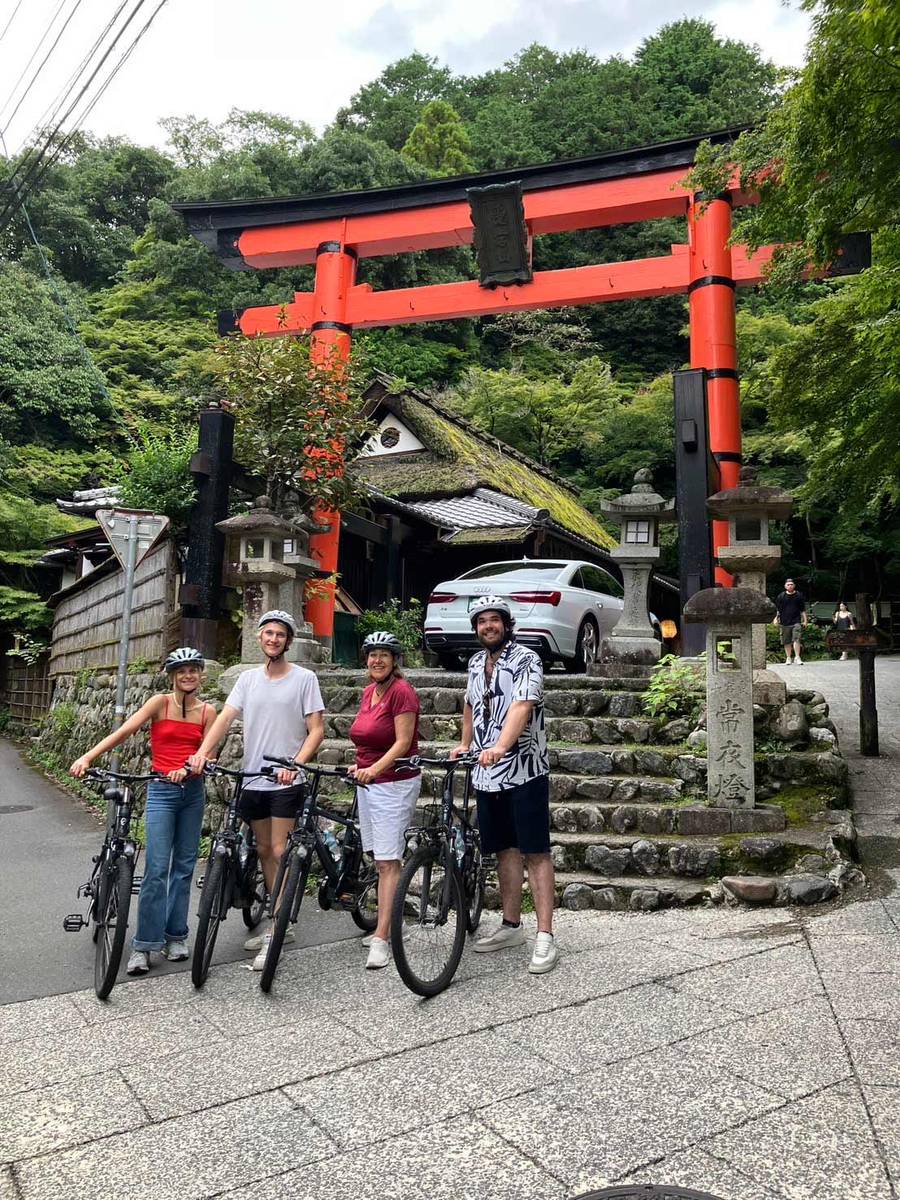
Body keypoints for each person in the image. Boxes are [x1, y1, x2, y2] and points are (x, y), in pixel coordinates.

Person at [187, 610, 325, 970]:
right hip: (253, 778)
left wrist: (294, 763)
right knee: (264, 848)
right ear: (259, 638)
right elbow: (225, 718)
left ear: (288, 642)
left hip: (286, 779)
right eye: (268, 633)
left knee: (280, 848)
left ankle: (277, 929)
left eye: (281, 634)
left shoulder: (304, 678)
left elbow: (316, 730)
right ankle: (277, 920)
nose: (274, 639)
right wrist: (203, 752)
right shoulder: (248, 679)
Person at [70, 647, 216, 976]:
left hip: (192, 793)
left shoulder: (208, 711)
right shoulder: (159, 703)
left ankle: (176, 936)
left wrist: (191, 767)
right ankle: (144, 945)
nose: (188, 675)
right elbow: (124, 731)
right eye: (182, 671)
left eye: (193, 670)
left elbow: (209, 752)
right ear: (172, 676)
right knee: (156, 868)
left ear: (200, 674)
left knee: (183, 867)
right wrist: (88, 757)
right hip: (162, 791)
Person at [450, 595, 558, 975]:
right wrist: (465, 743)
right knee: (504, 850)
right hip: (485, 772)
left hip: (524, 769)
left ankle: (545, 934)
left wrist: (500, 745)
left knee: (536, 851)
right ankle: (512, 925)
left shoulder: (527, 658)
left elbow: (522, 705)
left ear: (507, 625)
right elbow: (470, 705)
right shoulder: (476, 662)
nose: (488, 627)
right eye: (481, 622)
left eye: (494, 620)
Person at [347, 631, 421, 970]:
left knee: (389, 860)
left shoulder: (401, 692)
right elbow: (368, 737)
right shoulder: (368, 692)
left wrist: (374, 768)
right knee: (378, 858)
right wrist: (361, 764)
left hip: (394, 782)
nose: (377, 660)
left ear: (395, 660)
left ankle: (381, 938)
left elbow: (403, 742)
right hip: (369, 780)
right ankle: (389, 924)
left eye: (384, 655)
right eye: (373, 654)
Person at [774, 578, 808, 665]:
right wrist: (775, 618)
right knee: (786, 641)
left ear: (794, 586)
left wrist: (805, 621)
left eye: (791, 584)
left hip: (796, 621)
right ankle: (788, 658)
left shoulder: (799, 595)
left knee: (797, 639)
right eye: (788, 584)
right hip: (784, 621)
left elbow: (803, 610)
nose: (790, 586)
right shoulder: (781, 596)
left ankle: (797, 657)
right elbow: (778, 609)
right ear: (785, 586)